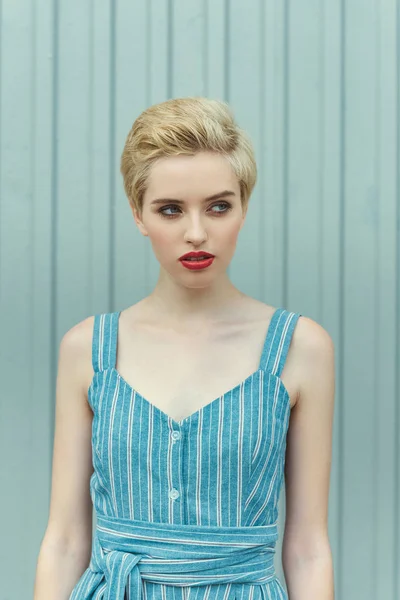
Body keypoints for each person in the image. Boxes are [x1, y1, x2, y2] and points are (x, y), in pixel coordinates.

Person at [34, 97, 335, 599]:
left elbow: (307, 547)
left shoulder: (301, 348)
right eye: (170, 209)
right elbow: (64, 541)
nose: (197, 233)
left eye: (219, 206)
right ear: (138, 214)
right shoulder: (87, 348)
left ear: (244, 207)